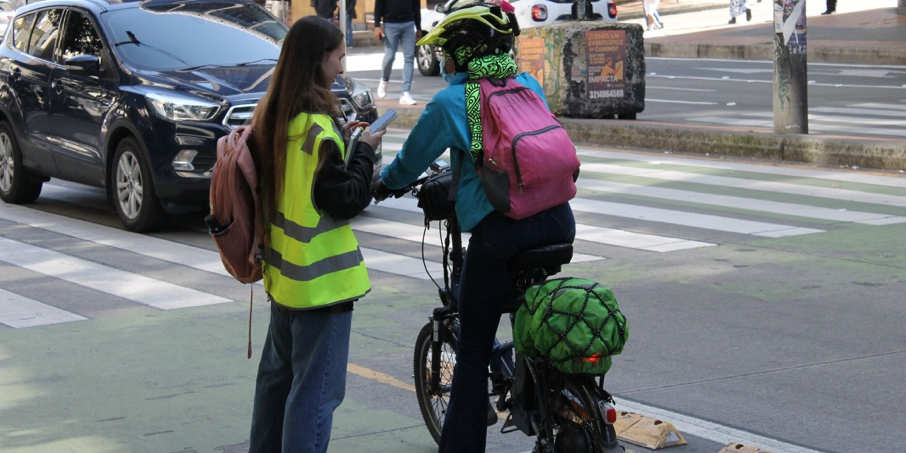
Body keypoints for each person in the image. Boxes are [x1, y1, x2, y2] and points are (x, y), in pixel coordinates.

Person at [373, 4, 576, 452]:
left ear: (466, 53)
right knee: (530, 313)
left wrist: (384, 184)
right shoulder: (527, 84)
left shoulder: (452, 102)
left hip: (503, 230)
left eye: (447, 51)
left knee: (471, 352)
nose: (443, 60)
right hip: (560, 219)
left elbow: (411, 161)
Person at [246, 16, 385, 453]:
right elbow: (346, 198)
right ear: (318, 60)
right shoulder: (318, 129)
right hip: (322, 288)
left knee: (276, 385)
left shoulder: (271, 118)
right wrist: (363, 151)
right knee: (315, 395)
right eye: (339, 57)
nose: (342, 68)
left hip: (284, 279)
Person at [373, 0, 421, 105]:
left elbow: (416, 6)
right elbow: (379, 5)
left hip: (408, 23)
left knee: (409, 58)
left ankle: (405, 93)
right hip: (390, 24)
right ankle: (384, 80)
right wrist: (377, 26)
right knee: (389, 57)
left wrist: (418, 28)